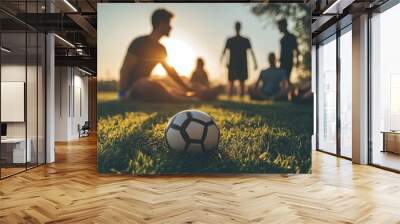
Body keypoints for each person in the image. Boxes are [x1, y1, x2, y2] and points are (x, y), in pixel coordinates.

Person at [119, 9, 191, 102]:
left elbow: (171, 72)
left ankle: (188, 96)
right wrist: (122, 94)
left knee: (164, 85)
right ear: (161, 24)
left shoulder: (161, 49)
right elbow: (125, 69)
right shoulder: (139, 42)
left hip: (148, 87)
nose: (171, 27)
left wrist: (186, 87)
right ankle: (185, 99)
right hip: (135, 88)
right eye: (169, 24)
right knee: (145, 83)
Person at [221, 21, 258, 98]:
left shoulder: (245, 40)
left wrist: (255, 63)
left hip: (242, 63)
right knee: (231, 81)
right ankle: (229, 97)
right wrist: (225, 61)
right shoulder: (230, 40)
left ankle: (241, 97)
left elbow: (251, 51)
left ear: (240, 28)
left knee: (242, 82)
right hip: (232, 63)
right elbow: (225, 51)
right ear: (235, 28)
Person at [277, 19, 300, 85]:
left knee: (286, 79)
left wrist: (297, 61)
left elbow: (296, 50)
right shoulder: (282, 39)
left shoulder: (291, 37)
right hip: (282, 62)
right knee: (284, 79)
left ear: (284, 26)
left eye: (279, 26)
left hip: (288, 61)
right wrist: (279, 59)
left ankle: (292, 92)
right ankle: (289, 93)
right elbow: (282, 52)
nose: (278, 28)